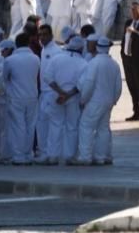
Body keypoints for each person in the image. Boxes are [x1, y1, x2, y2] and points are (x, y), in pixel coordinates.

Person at [75, 36, 123, 165]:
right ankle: (101, 157)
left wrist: (83, 99)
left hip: (94, 101)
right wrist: (114, 100)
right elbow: (118, 86)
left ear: (97, 47)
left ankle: (85, 157)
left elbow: (89, 84)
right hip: (108, 101)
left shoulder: (94, 63)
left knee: (86, 126)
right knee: (103, 129)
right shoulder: (114, 64)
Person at [43, 36, 88, 165]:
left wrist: (60, 92)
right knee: (72, 127)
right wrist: (67, 95)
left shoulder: (56, 58)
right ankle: (69, 156)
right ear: (80, 48)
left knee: (55, 125)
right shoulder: (84, 63)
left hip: (55, 96)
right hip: (73, 98)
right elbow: (82, 84)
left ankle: (52, 156)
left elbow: (47, 77)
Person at [2, 32, 41, 164]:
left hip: (16, 97)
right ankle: (28, 154)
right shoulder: (35, 58)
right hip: (32, 96)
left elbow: (4, 78)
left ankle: (18, 156)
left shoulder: (10, 60)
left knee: (17, 126)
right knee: (30, 126)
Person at [33, 24, 63, 164]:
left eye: (45, 34)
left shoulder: (57, 51)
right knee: (42, 123)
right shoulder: (43, 50)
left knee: (54, 124)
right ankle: (44, 152)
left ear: (51, 35)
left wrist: (59, 92)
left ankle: (54, 154)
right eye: (40, 35)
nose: (42, 37)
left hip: (53, 92)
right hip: (43, 93)